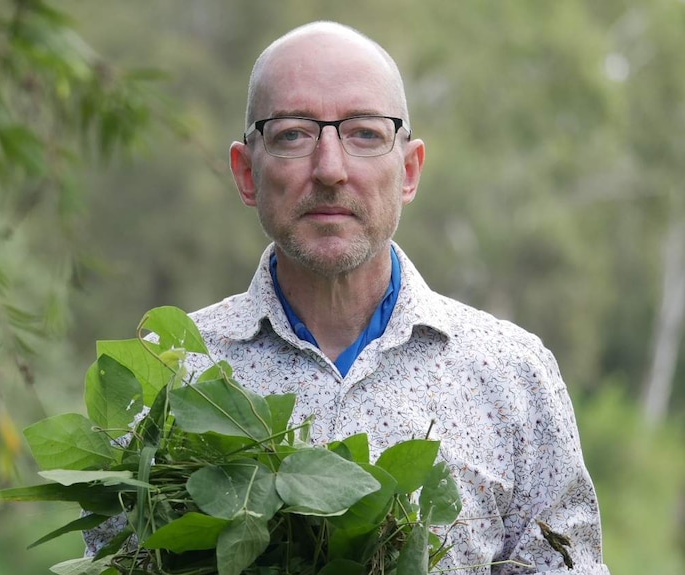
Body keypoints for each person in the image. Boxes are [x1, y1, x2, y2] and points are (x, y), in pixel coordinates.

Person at [86, 20, 610, 574]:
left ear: (408, 171)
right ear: (246, 174)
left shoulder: (513, 376)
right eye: (293, 134)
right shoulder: (169, 373)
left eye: (363, 133)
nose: (330, 169)